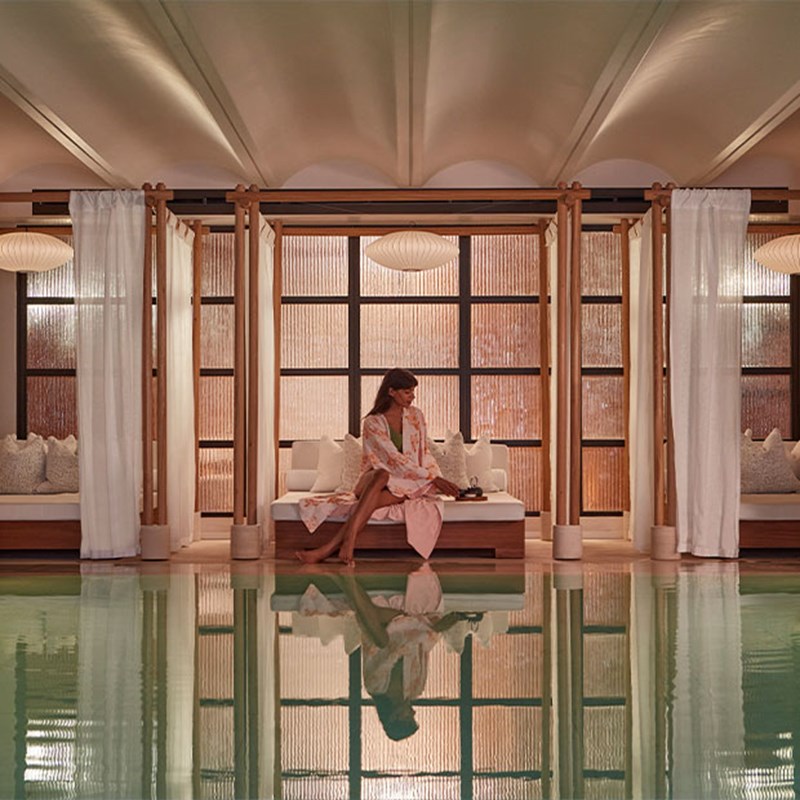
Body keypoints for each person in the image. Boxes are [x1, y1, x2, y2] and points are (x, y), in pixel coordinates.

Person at [296, 368, 460, 564]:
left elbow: (423, 452)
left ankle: (328, 549)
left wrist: (432, 476)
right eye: (407, 392)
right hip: (373, 480)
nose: (412, 397)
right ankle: (347, 542)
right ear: (391, 391)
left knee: (376, 500)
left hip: (404, 483)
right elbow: (392, 459)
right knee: (381, 474)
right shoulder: (373, 423)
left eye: (413, 391)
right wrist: (432, 478)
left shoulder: (416, 416)